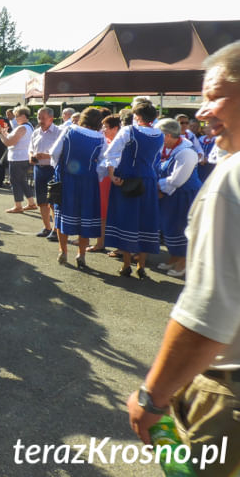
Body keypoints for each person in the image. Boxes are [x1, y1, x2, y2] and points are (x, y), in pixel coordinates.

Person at [126, 40, 240, 477]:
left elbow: (209, 312)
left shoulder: (232, 179)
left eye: (215, 96)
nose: (203, 111)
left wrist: (151, 398)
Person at [101, 99, 163, 279]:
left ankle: (127, 264)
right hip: (149, 181)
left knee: (126, 220)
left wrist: (112, 175)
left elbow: (111, 153)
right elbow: (156, 160)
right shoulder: (159, 134)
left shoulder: (129, 131)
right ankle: (141, 266)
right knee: (145, 221)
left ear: (138, 116)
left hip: (128, 179)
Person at [49, 107, 104, 268]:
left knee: (62, 215)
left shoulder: (69, 129)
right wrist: (94, 176)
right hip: (88, 181)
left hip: (67, 179)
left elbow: (54, 152)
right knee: (84, 218)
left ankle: (63, 250)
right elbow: (102, 163)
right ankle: (81, 254)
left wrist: (58, 168)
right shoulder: (100, 138)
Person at [155, 118, 202, 277]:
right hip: (172, 194)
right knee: (170, 227)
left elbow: (177, 180)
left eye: (158, 135)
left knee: (181, 228)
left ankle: (183, 262)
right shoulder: (170, 148)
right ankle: (174, 257)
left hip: (184, 195)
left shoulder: (187, 152)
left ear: (167, 135)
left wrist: (156, 185)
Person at [89, 114, 121, 253]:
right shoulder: (104, 140)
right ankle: (100, 242)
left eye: (106, 127)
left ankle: (120, 247)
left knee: (115, 212)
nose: (103, 129)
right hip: (104, 179)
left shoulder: (122, 142)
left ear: (115, 128)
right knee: (102, 212)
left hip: (114, 179)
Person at [29, 107, 61, 237]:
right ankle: (46, 227)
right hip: (39, 168)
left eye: (43, 118)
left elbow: (61, 152)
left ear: (51, 119)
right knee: (41, 200)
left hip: (52, 169)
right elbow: (30, 148)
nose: (40, 120)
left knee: (53, 201)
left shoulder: (59, 132)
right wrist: (31, 156)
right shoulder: (36, 132)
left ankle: (55, 230)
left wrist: (46, 156)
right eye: (38, 117)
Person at [0, 107, 36, 213]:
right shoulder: (28, 126)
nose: (15, 118)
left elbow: (9, 142)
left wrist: (0, 133)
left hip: (18, 158)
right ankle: (31, 203)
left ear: (23, 116)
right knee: (22, 181)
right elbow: (11, 139)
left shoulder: (22, 128)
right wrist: (4, 133)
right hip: (23, 157)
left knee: (15, 182)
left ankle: (18, 205)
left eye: (17, 116)